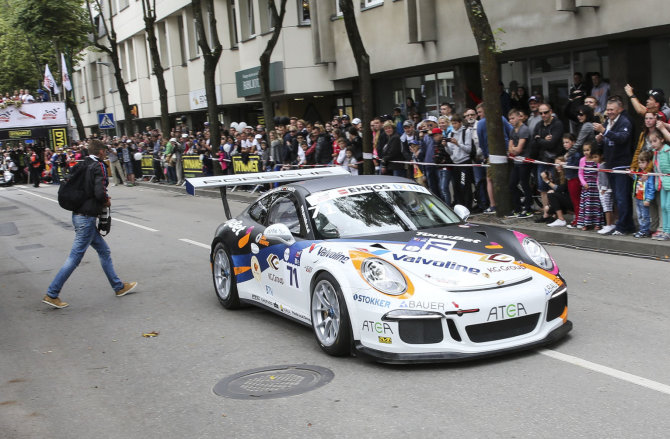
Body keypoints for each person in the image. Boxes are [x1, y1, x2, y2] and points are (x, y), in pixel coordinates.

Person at [42, 140, 137, 309]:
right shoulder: (98, 166)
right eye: (105, 151)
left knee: (103, 250)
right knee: (74, 257)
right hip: (86, 218)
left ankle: (118, 286)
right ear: (100, 152)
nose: (106, 154)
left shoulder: (82, 164)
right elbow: (99, 192)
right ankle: (52, 293)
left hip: (79, 215)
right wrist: (106, 201)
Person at [593, 96, 635, 235]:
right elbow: (608, 140)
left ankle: (624, 227)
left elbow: (622, 138)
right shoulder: (607, 122)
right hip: (610, 164)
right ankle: (624, 225)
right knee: (617, 197)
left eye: (612, 109)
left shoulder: (624, 122)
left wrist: (604, 131)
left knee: (622, 197)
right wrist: (600, 139)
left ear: (619, 109)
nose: (609, 112)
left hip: (621, 165)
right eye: (608, 109)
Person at [507, 109, 533, 217]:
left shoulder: (524, 129)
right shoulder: (513, 131)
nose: (511, 121)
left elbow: (518, 149)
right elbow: (510, 149)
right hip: (516, 162)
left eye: (513, 118)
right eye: (510, 119)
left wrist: (513, 149)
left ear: (519, 117)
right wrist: (513, 149)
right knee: (512, 184)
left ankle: (528, 209)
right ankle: (517, 208)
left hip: (525, 161)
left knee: (525, 184)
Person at [577, 142, 603, 231]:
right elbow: (580, 173)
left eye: (588, 150)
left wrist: (597, 183)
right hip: (586, 187)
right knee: (586, 205)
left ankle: (597, 223)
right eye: (584, 150)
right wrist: (584, 183)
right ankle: (586, 223)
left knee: (596, 205)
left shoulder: (595, 159)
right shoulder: (582, 160)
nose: (586, 152)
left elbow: (599, 172)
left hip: (595, 187)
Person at [631, 150, 656, 238]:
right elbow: (636, 181)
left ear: (648, 162)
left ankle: (645, 230)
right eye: (639, 162)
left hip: (644, 198)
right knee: (640, 215)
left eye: (643, 162)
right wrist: (632, 174)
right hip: (638, 197)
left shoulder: (649, 174)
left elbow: (651, 188)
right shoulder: (639, 172)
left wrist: (648, 199)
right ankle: (642, 229)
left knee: (645, 216)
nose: (640, 164)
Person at [651, 131, 670, 240]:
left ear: (662, 139)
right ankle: (665, 230)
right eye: (651, 142)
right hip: (662, 183)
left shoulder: (667, 151)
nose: (653, 144)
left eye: (655, 141)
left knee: (668, 206)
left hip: (668, 181)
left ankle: (668, 231)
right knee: (663, 207)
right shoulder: (655, 152)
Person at [562, 133, 582, 228]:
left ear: (573, 142)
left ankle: (578, 220)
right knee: (574, 200)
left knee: (576, 200)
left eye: (567, 142)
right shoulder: (570, 154)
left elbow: (573, 166)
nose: (565, 144)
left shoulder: (575, 154)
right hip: (570, 179)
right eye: (564, 142)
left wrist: (564, 164)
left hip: (575, 179)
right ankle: (577, 218)